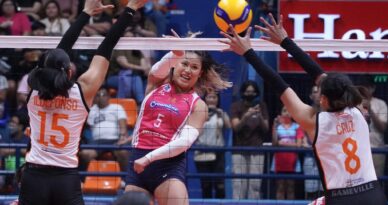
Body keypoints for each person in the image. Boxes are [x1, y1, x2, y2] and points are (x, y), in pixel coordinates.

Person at [219, 14, 387, 205]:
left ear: (323, 99)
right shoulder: (358, 109)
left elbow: (279, 84)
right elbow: (324, 78)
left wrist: (248, 51)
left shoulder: (314, 121)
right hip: (374, 196)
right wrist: (284, 41)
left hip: (340, 200)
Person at [19, 0, 147, 204]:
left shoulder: (33, 92)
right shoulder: (83, 91)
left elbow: (59, 52)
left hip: (33, 177)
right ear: (69, 71)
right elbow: (107, 46)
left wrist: (85, 13)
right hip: (65, 179)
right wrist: (129, 10)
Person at [124, 32, 232, 205]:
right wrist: (176, 53)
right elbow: (156, 69)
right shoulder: (156, 83)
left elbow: (184, 142)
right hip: (138, 159)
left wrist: (149, 158)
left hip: (168, 165)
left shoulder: (198, 105)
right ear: (175, 66)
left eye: (194, 67)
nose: (188, 70)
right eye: (184, 64)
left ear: (200, 73)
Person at [230, 80, 268, 199]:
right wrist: (246, 116)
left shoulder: (262, 106)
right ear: (243, 92)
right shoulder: (236, 106)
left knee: (255, 184)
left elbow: (266, 128)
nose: (250, 94)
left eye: (253, 92)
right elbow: (236, 127)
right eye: (247, 92)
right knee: (239, 183)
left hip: (257, 149)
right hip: (239, 150)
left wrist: (260, 115)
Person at [80, 86, 129, 171]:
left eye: (103, 95)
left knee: (123, 152)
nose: (101, 97)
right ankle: (83, 181)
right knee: (85, 154)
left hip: (115, 140)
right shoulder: (91, 110)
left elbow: (123, 124)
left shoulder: (116, 107)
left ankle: (125, 180)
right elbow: (84, 126)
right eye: (98, 95)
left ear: (108, 96)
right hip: (97, 142)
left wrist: (122, 136)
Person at [194, 89, 230, 198]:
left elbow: (229, 126)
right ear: (205, 99)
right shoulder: (198, 113)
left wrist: (221, 113)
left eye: (214, 97)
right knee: (206, 185)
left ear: (218, 99)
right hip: (202, 152)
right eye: (209, 97)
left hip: (218, 152)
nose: (212, 100)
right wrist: (203, 118)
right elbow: (193, 130)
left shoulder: (221, 113)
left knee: (220, 185)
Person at [358, 75, 388, 178]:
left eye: (367, 87)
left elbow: (383, 128)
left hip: (377, 150)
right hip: (358, 151)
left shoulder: (381, 104)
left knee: (377, 182)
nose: (364, 90)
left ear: (373, 88)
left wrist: (369, 109)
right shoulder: (353, 103)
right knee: (360, 182)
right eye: (362, 87)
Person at [272, 106, 303, 200]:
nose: (287, 113)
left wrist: (283, 143)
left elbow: (298, 145)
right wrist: (275, 126)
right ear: (281, 113)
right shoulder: (277, 127)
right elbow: (275, 143)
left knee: (290, 188)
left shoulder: (297, 127)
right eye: (284, 111)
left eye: (289, 111)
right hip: (279, 159)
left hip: (292, 160)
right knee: (280, 187)